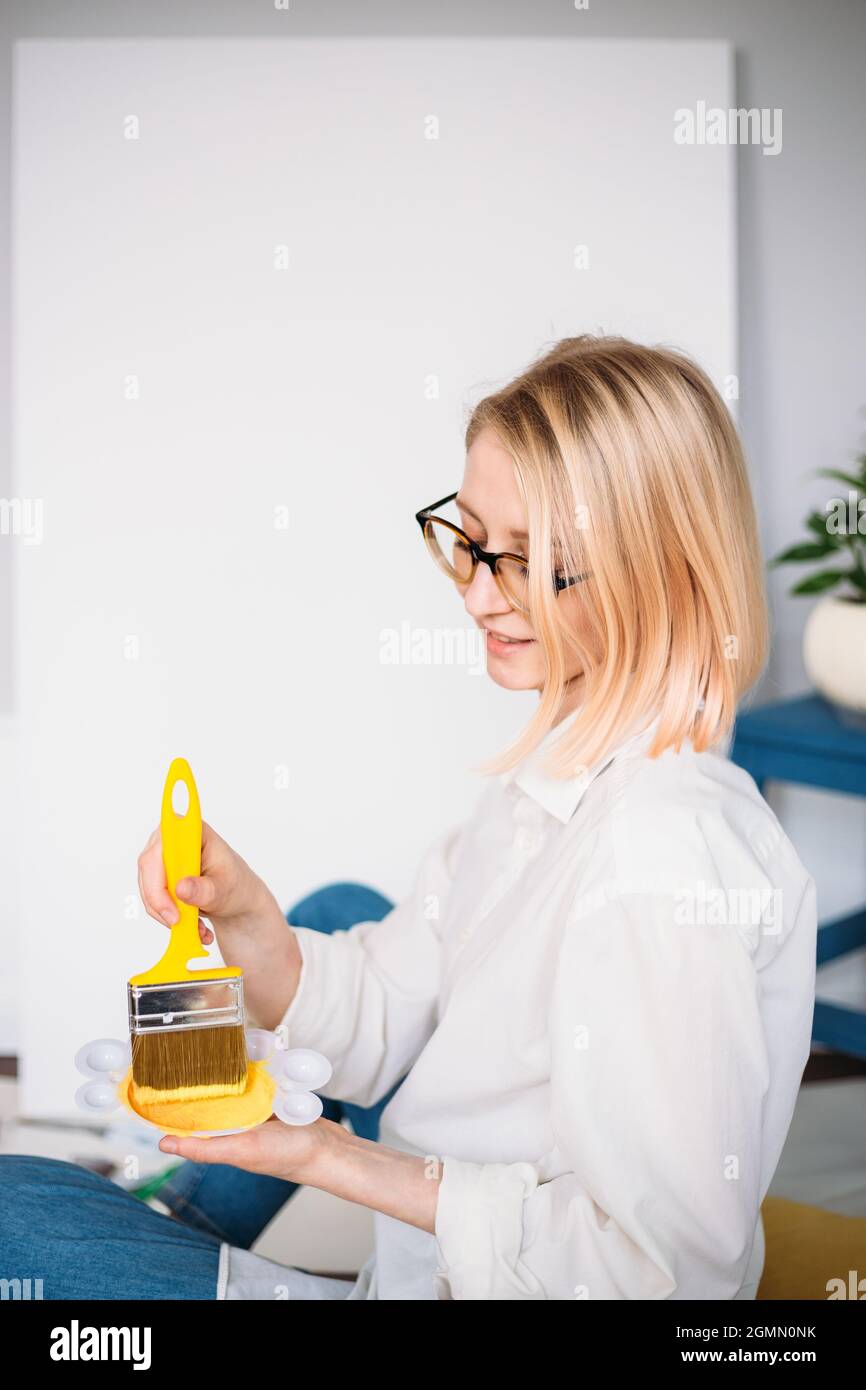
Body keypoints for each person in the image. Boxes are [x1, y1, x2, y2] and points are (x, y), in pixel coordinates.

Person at [0, 335, 817, 1300]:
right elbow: (388, 1010)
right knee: (345, 908)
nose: (477, 593)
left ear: (665, 572)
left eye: (530, 564)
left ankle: (165, 1229)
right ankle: (173, 1221)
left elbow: (665, 1281)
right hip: (426, 1262)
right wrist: (247, 911)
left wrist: (328, 1159)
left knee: (17, 1215)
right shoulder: (553, 788)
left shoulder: (658, 859)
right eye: (470, 540)